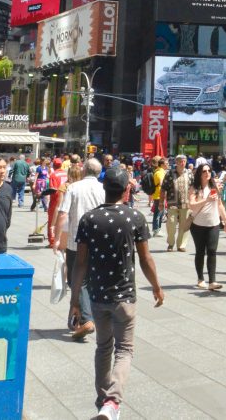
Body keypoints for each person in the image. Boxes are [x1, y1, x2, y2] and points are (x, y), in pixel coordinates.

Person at [70, 166, 164, 420]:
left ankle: (103, 400)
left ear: (104, 188)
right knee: (124, 349)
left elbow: (80, 263)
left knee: (103, 347)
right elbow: (145, 259)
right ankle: (112, 402)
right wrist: (156, 286)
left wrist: (74, 300)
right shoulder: (134, 217)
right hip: (124, 296)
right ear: (126, 189)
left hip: (98, 296)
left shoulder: (88, 219)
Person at [58, 157, 105, 340]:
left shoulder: (73, 188)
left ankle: (86, 319)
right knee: (89, 280)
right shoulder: (103, 189)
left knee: (77, 280)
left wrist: (57, 239)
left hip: (76, 243)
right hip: (99, 242)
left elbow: (63, 214)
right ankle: (80, 317)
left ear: (84, 170)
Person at [188, 164, 226, 290]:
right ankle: (200, 279)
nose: (207, 173)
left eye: (209, 171)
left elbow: (220, 205)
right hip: (198, 224)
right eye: (204, 171)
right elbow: (192, 205)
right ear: (199, 174)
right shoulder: (194, 188)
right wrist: (206, 200)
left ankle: (212, 281)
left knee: (212, 251)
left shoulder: (215, 186)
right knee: (200, 252)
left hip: (213, 223)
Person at [160, 154, 192, 253]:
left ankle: (181, 245)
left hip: (186, 204)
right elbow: (163, 188)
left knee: (184, 226)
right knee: (171, 224)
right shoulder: (170, 173)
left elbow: (194, 187)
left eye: (184, 161)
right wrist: (161, 202)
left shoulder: (190, 173)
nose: (182, 163)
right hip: (172, 203)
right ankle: (170, 243)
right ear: (176, 163)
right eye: (180, 161)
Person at [47, 156, 68, 247]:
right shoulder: (66, 174)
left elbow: (53, 189)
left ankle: (52, 241)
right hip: (66, 199)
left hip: (56, 200)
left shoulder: (53, 175)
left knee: (52, 220)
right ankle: (61, 240)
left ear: (54, 166)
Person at [150, 157, 166, 237]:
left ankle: (157, 229)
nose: (168, 165)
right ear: (162, 164)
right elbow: (162, 183)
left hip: (158, 195)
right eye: (166, 163)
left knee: (160, 213)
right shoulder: (160, 172)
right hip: (159, 195)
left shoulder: (159, 171)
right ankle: (156, 230)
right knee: (158, 213)